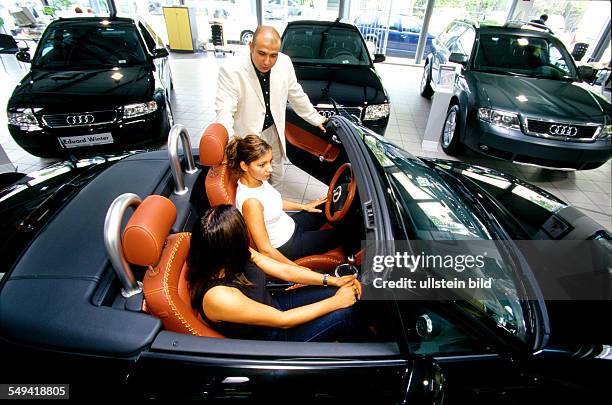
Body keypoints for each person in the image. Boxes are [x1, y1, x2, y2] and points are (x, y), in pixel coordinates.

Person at [187, 205, 361, 342]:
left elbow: (282, 269)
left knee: (346, 289)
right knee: (346, 314)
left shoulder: (230, 254)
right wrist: (337, 302)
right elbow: (283, 320)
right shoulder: (219, 296)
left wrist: (332, 281)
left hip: (275, 303)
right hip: (275, 338)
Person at [215, 25, 327, 188]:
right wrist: (233, 146)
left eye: (273, 55)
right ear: (251, 46)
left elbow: (296, 94)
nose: (267, 61)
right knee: (252, 181)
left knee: (276, 174)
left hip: (273, 131)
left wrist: (316, 119)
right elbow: (224, 110)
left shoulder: (284, 63)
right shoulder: (231, 69)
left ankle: (273, 205)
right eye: (262, 53)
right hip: (248, 137)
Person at [227, 134, 341, 265]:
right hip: (287, 244)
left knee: (327, 206)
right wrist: (294, 268)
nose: (269, 169)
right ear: (244, 166)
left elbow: (273, 203)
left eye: (270, 161)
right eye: (262, 164)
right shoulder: (251, 202)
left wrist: (304, 206)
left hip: (290, 224)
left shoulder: (256, 179)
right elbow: (266, 250)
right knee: (341, 234)